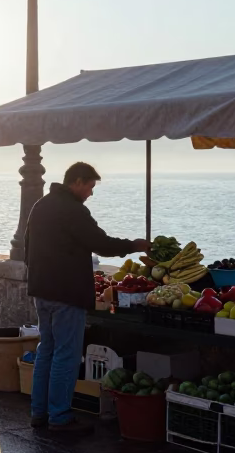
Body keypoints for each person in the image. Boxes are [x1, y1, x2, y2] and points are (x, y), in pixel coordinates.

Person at [24, 162, 149, 435]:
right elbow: (101, 243)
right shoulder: (73, 210)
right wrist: (134, 245)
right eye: (90, 186)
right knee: (66, 355)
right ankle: (59, 416)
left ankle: (39, 412)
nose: (91, 193)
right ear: (78, 181)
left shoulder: (41, 205)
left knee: (46, 351)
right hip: (66, 293)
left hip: (41, 290)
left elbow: (26, 247)